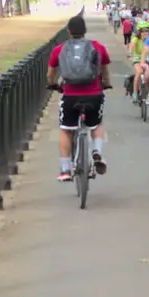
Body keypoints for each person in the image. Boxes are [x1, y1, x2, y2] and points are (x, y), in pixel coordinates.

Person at [46, 14, 112, 181]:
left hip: (70, 95)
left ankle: (65, 169)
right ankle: (96, 151)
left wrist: (53, 84)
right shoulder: (97, 47)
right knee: (96, 124)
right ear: (85, 30)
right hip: (94, 94)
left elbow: (50, 73)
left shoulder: (59, 49)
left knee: (66, 130)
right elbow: (104, 69)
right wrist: (106, 83)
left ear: (68, 31)